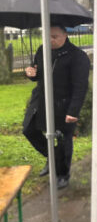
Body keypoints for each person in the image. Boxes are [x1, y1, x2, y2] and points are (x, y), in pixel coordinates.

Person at [23, 24, 90, 190]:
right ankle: (52, 158)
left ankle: (62, 174)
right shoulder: (41, 50)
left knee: (63, 140)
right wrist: (31, 73)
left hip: (64, 104)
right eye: (48, 36)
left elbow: (80, 87)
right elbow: (37, 73)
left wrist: (73, 111)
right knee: (29, 129)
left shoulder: (78, 57)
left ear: (65, 35)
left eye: (55, 36)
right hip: (41, 100)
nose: (50, 40)